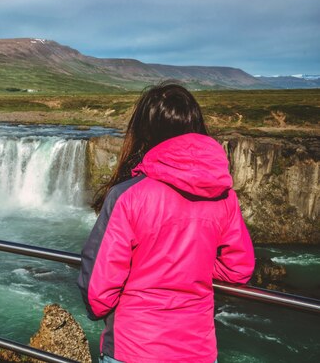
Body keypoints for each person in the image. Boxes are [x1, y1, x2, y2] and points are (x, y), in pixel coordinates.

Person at [77, 80, 255, 363]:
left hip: (134, 347)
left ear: (144, 131)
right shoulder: (224, 195)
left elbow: (99, 292)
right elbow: (238, 270)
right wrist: (193, 264)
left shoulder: (128, 195)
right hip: (198, 350)